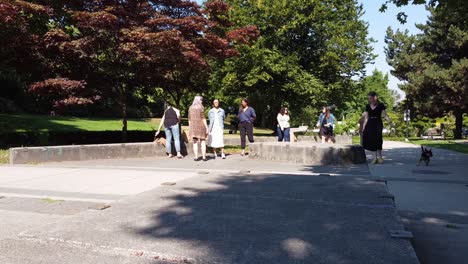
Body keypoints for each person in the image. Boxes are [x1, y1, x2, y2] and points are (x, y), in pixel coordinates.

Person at [360, 91, 394, 164]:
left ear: (375, 97)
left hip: (378, 123)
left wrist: (391, 122)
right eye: (368, 98)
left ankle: (380, 157)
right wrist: (363, 127)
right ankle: (374, 158)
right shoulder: (367, 106)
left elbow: (385, 115)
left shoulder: (380, 105)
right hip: (370, 124)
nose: (369, 100)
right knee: (371, 140)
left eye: (370, 98)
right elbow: (366, 117)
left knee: (378, 139)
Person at [188, 95, 209, 161]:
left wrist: (190, 127)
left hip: (193, 127)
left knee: (195, 142)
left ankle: (196, 157)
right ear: (198, 100)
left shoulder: (190, 108)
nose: (201, 101)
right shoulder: (201, 107)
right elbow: (203, 118)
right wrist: (206, 127)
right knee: (203, 141)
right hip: (201, 126)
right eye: (201, 100)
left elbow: (189, 119)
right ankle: (204, 157)